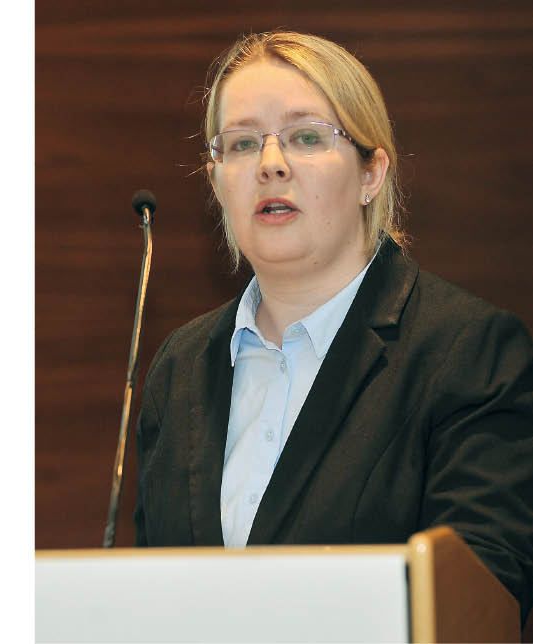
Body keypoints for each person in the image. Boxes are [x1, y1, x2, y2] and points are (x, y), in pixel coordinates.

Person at [134, 30, 533, 621]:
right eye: (242, 145)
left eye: (305, 137)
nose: (271, 165)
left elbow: (478, 600)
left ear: (372, 173)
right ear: (216, 183)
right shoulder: (180, 364)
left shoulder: (470, 353)